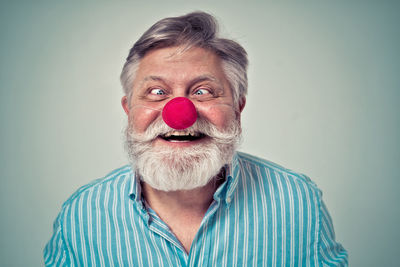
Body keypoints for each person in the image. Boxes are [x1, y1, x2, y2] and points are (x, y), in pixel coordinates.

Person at [44, 11, 348, 266]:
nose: (180, 114)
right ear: (129, 110)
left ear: (238, 109)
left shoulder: (298, 203)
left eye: (203, 91)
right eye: (157, 92)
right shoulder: (81, 216)